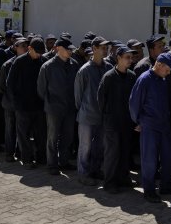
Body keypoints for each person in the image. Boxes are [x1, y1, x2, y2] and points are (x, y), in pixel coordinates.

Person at [129, 52, 171, 202]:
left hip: (164, 124)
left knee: (169, 156)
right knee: (149, 160)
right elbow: (134, 103)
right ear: (159, 65)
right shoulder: (144, 79)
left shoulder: (162, 79)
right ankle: (149, 190)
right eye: (167, 69)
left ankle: (166, 186)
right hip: (149, 126)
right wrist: (139, 121)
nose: (169, 73)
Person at [98, 46, 138, 194]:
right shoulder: (108, 77)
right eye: (127, 57)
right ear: (118, 58)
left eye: (131, 58)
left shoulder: (132, 76)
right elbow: (101, 99)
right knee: (112, 153)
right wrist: (107, 116)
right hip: (112, 122)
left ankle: (123, 178)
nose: (130, 60)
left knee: (125, 151)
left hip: (127, 122)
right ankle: (109, 182)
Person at [37, 38, 80, 175]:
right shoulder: (48, 66)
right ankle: (52, 164)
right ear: (58, 49)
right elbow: (41, 89)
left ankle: (64, 161)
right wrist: (51, 102)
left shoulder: (74, 64)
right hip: (54, 109)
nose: (70, 52)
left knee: (68, 136)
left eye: (71, 49)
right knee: (53, 137)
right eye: (68, 49)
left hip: (70, 108)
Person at [74, 37, 112, 186]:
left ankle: (95, 170)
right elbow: (78, 96)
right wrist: (85, 108)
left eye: (106, 48)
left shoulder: (108, 68)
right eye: (102, 48)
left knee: (99, 146)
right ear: (94, 49)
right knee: (85, 147)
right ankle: (83, 174)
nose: (105, 50)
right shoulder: (84, 70)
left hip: (102, 116)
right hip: (87, 116)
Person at [7, 38, 48, 169]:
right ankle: (27, 159)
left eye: (41, 52)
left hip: (39, 105)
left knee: (40, 134)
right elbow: (10, 83)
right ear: (30, 49)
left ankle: (41, 157)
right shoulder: (19, 62)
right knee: (23, 134)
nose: (39, 55)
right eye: (37, 52)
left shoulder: (43, 61)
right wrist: (16, 102)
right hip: (23, 106)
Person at [0, 37, 29, 162]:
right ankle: (9, 153)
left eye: (26, 45)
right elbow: (1, 86)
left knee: (23, 130)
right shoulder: (8, 65)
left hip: (24, 104)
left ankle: (21, 152)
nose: (25, 48)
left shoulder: (29, 62)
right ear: (16, 47)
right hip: (10, 103)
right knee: (10, 129)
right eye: (22, 46)